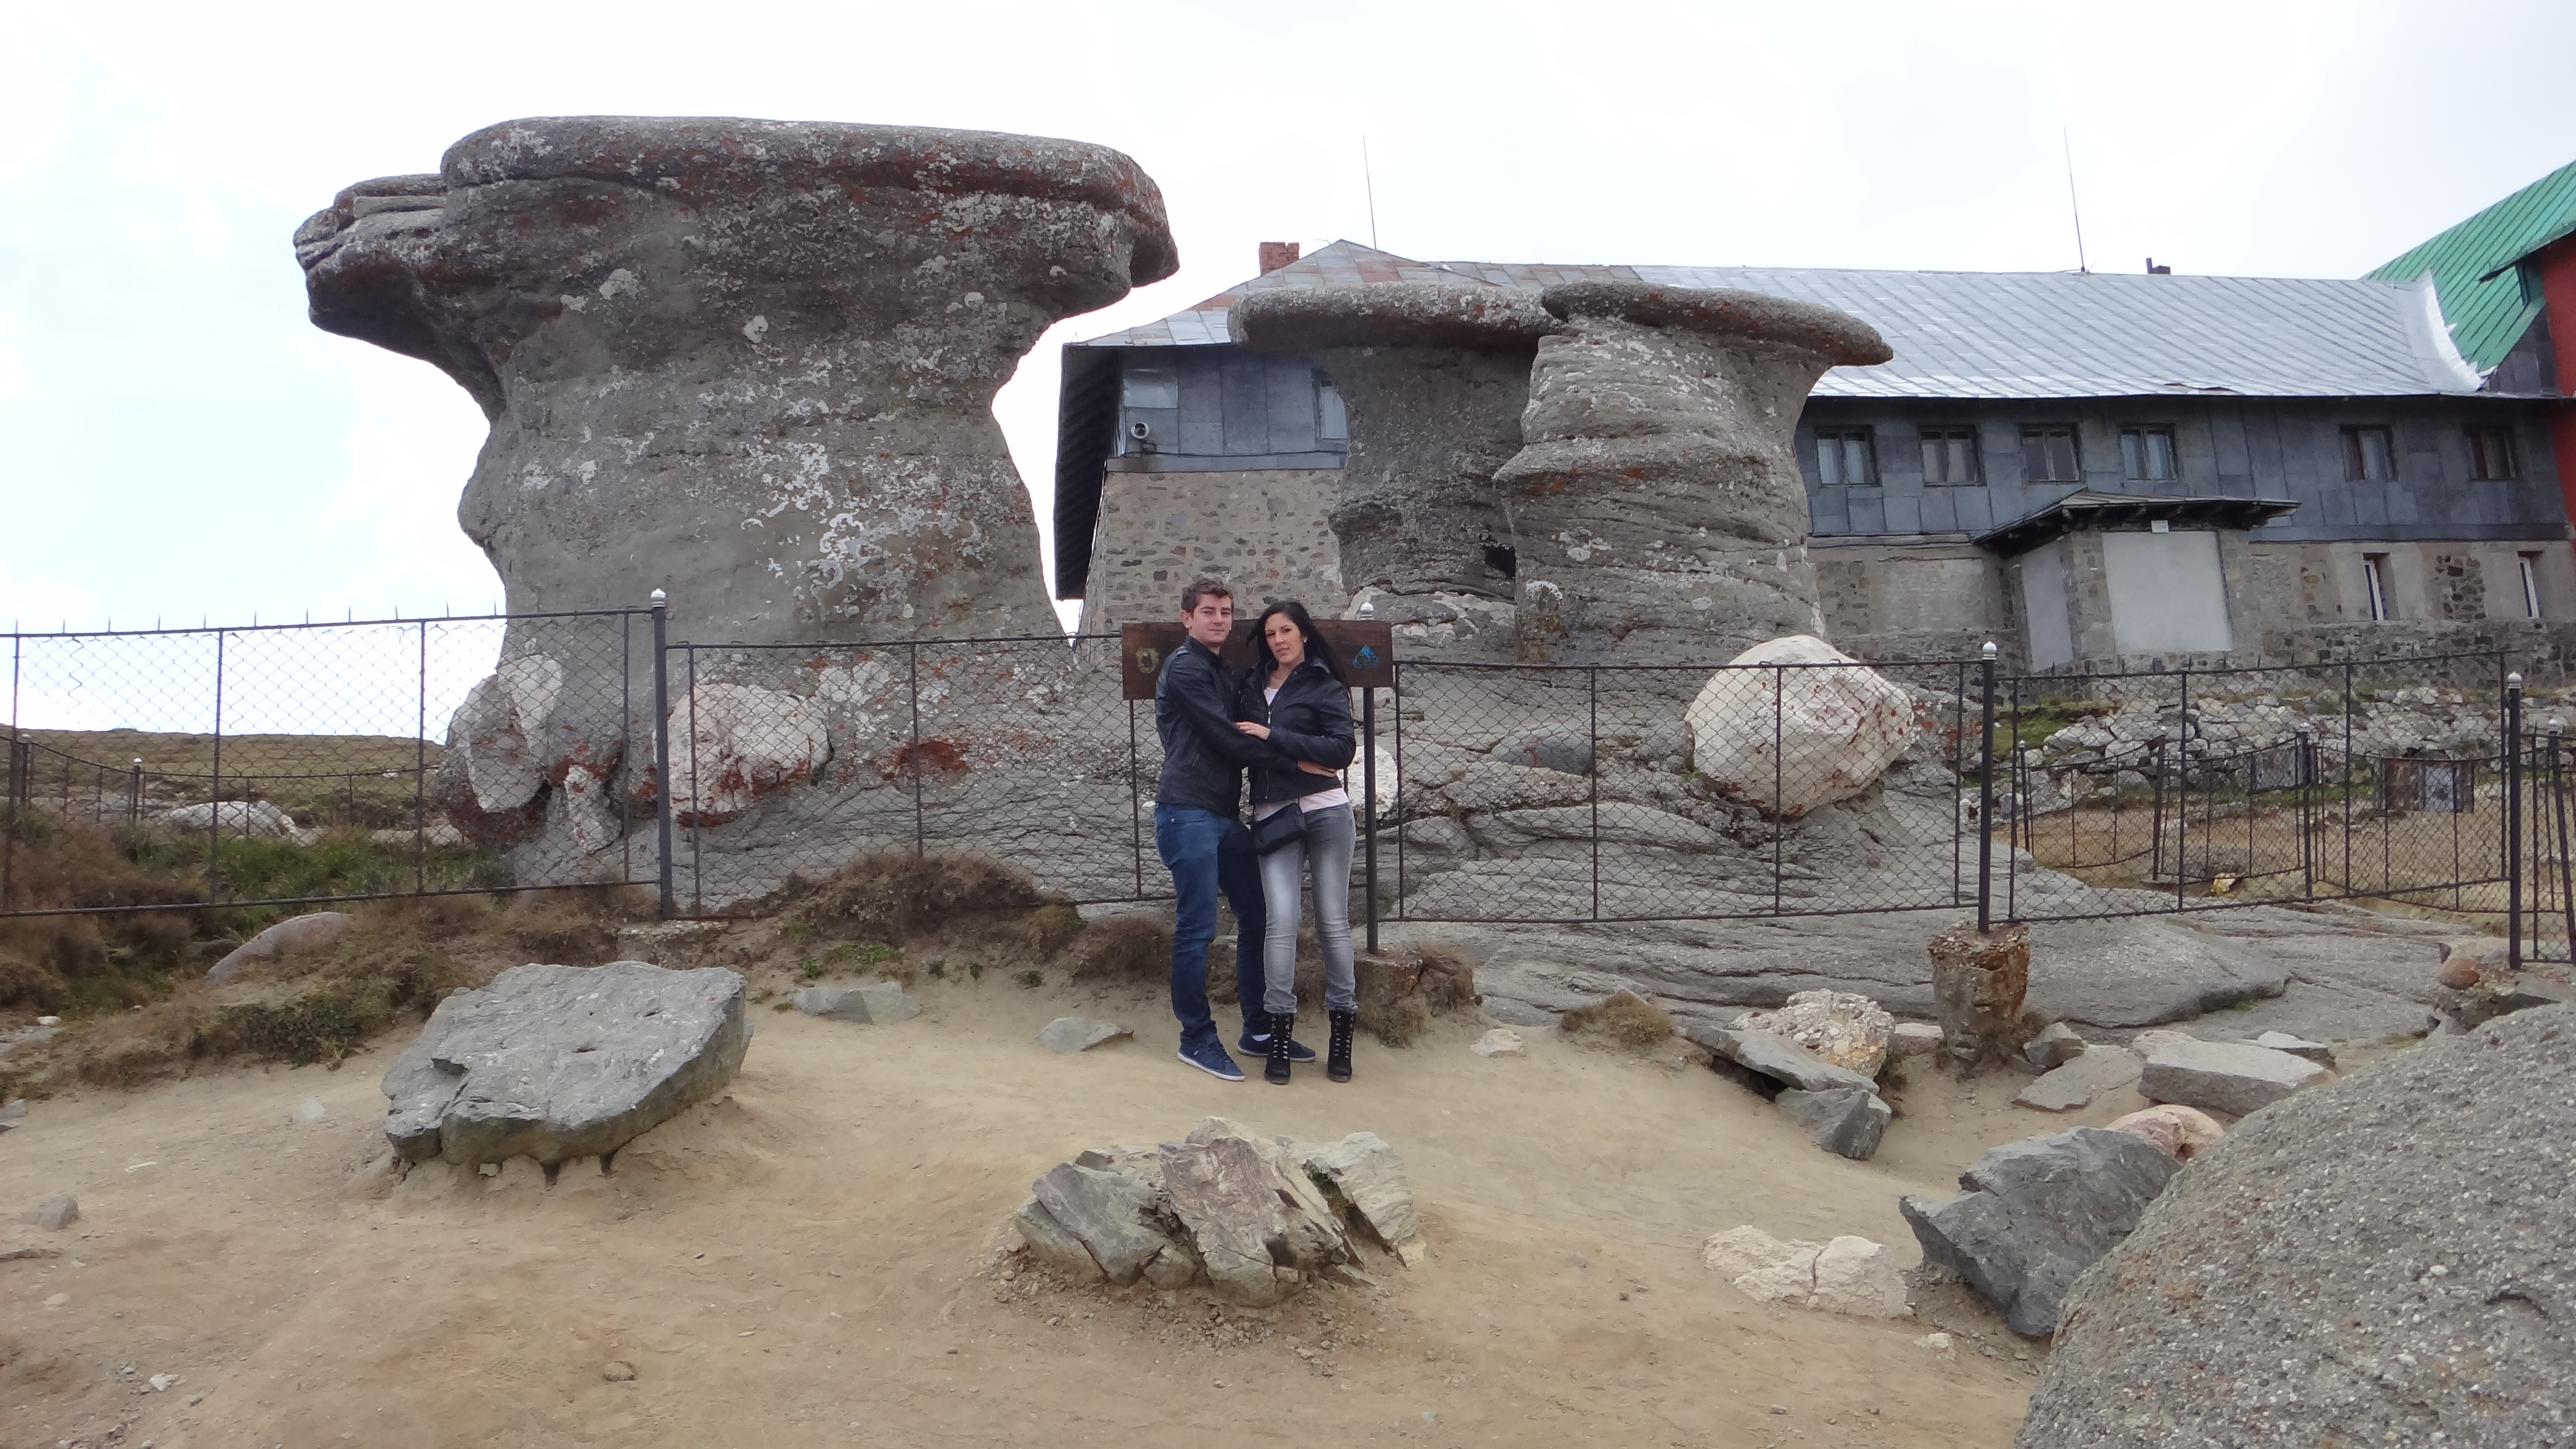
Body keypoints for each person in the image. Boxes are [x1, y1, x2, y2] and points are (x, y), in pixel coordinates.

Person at [1152, 578, 1295, 1082]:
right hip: (1185, 812)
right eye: (1209, 611)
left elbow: (1253, 719)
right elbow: (1224, 738)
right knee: (1197, 929)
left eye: (1226, 612)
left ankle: (1257, 1028)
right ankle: (1196, 1038)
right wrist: (1299, 760)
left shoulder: (1225, 671)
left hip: (1223, 817)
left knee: (1258, 916)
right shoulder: (1185, 668)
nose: (1219, 620)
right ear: (1187, 618)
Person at [1233, 600, 1360, 1084]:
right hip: (1274, 814)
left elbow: (1341, 749)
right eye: (1270, 634)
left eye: (1286, 631)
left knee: (1333, 923)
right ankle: (1279, 1039)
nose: (1279, 641)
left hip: (1327, 810)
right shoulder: (1251, 685)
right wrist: (1293, 758)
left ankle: (1342, 1037)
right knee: (1281, 922)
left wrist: (1274, 736)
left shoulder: (1324, 684)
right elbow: (1242, 744)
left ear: (1303, 633)